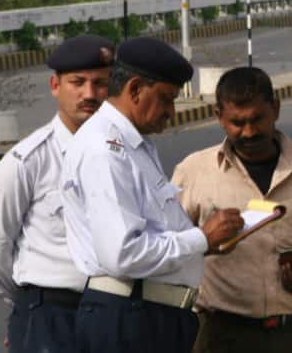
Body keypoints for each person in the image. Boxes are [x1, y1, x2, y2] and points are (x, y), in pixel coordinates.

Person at [59, 37, 245, 353]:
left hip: (150, 315)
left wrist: (204, 244)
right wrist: (201, 239)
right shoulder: (106, 152)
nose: (171, 112)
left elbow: (152, 233)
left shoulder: (134, 144)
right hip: (129, 317)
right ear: (134, 89)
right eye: (166, 99)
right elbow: (123, 254)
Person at [172, 66, 292, 353]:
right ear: (219, 117)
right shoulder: (194, 172)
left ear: (276, 109)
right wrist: (205, 240)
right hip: (219, 335)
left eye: (258, 119)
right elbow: (166, 250)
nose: (249, 132)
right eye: (237, 123)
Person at [0, 35, 114, 353]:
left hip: (114, 313)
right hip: (50, 315)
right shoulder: (27, 161)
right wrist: (29, 303)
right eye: (77, 82)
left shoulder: (124, 153)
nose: (89, 94)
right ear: (54, 85)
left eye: (100, 83)